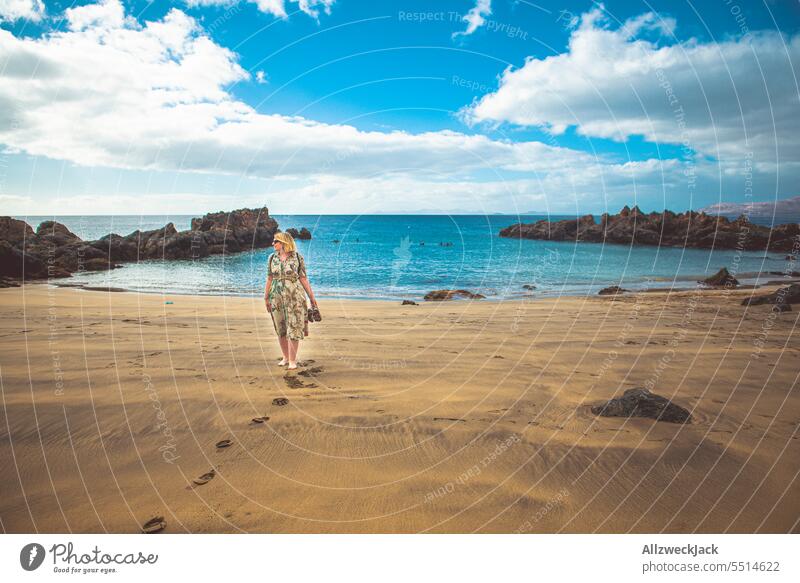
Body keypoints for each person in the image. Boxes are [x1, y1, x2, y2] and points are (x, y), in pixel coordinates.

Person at [264, 231, 318, 369]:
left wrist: (312, 299)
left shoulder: (297, 258)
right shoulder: (272, 258)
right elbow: (269, 278)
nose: (273, 244)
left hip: (295, 297)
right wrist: (266, 297)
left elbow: (303, 278)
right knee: (280, 328)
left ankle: (292, 361)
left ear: (283, 242)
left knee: (294, 327)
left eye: (275, 241)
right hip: (276, 297)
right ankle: (285, 358)